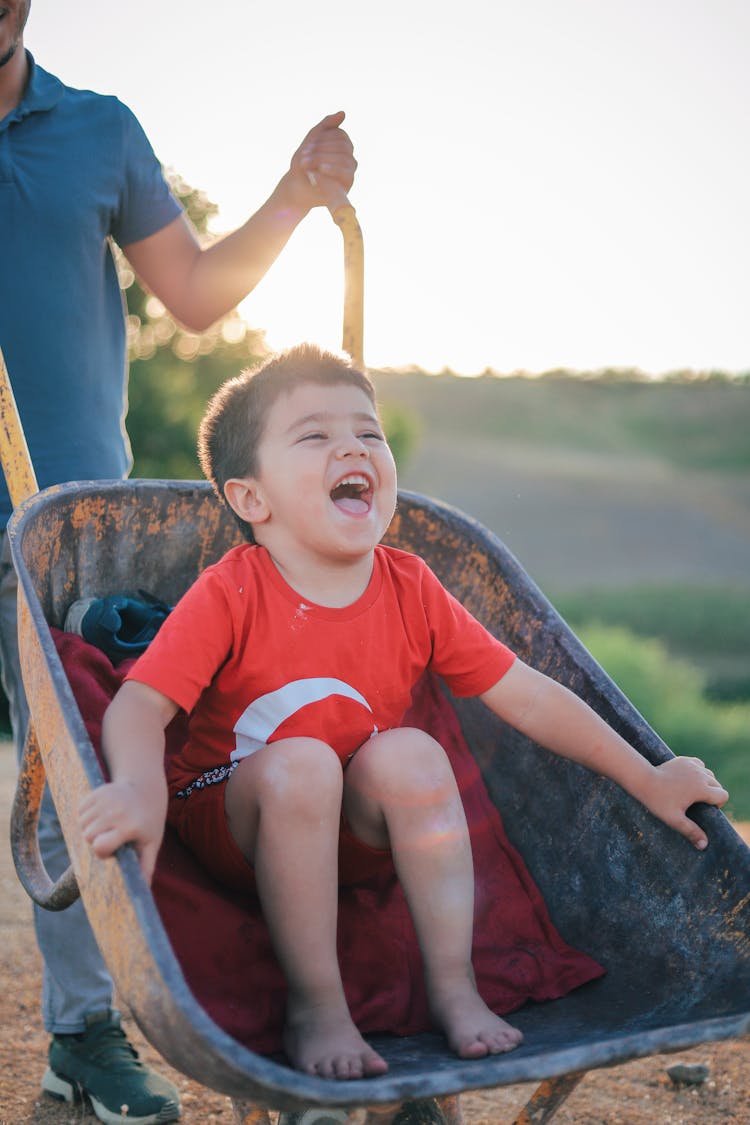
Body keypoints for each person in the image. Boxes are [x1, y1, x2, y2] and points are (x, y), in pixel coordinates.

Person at [79, 344, 730, 1083]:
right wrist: (136, 785)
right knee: (303, 761)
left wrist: (648, 777)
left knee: (413, 753)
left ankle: (454, 989)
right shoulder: (235, 590)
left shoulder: (410, 585)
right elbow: (140, 701)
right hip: (236, 817)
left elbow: (527, 692)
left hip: (351, 823)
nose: (353, 445)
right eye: (314, 435)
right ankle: (317, 1004)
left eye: (368, 432)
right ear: (252, 499)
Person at [0, 2, 357, 1120]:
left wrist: (296, 197)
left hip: (52, 521)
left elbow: (195, 297)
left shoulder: (98, 131)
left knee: (78, 778)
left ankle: (86, 1035)